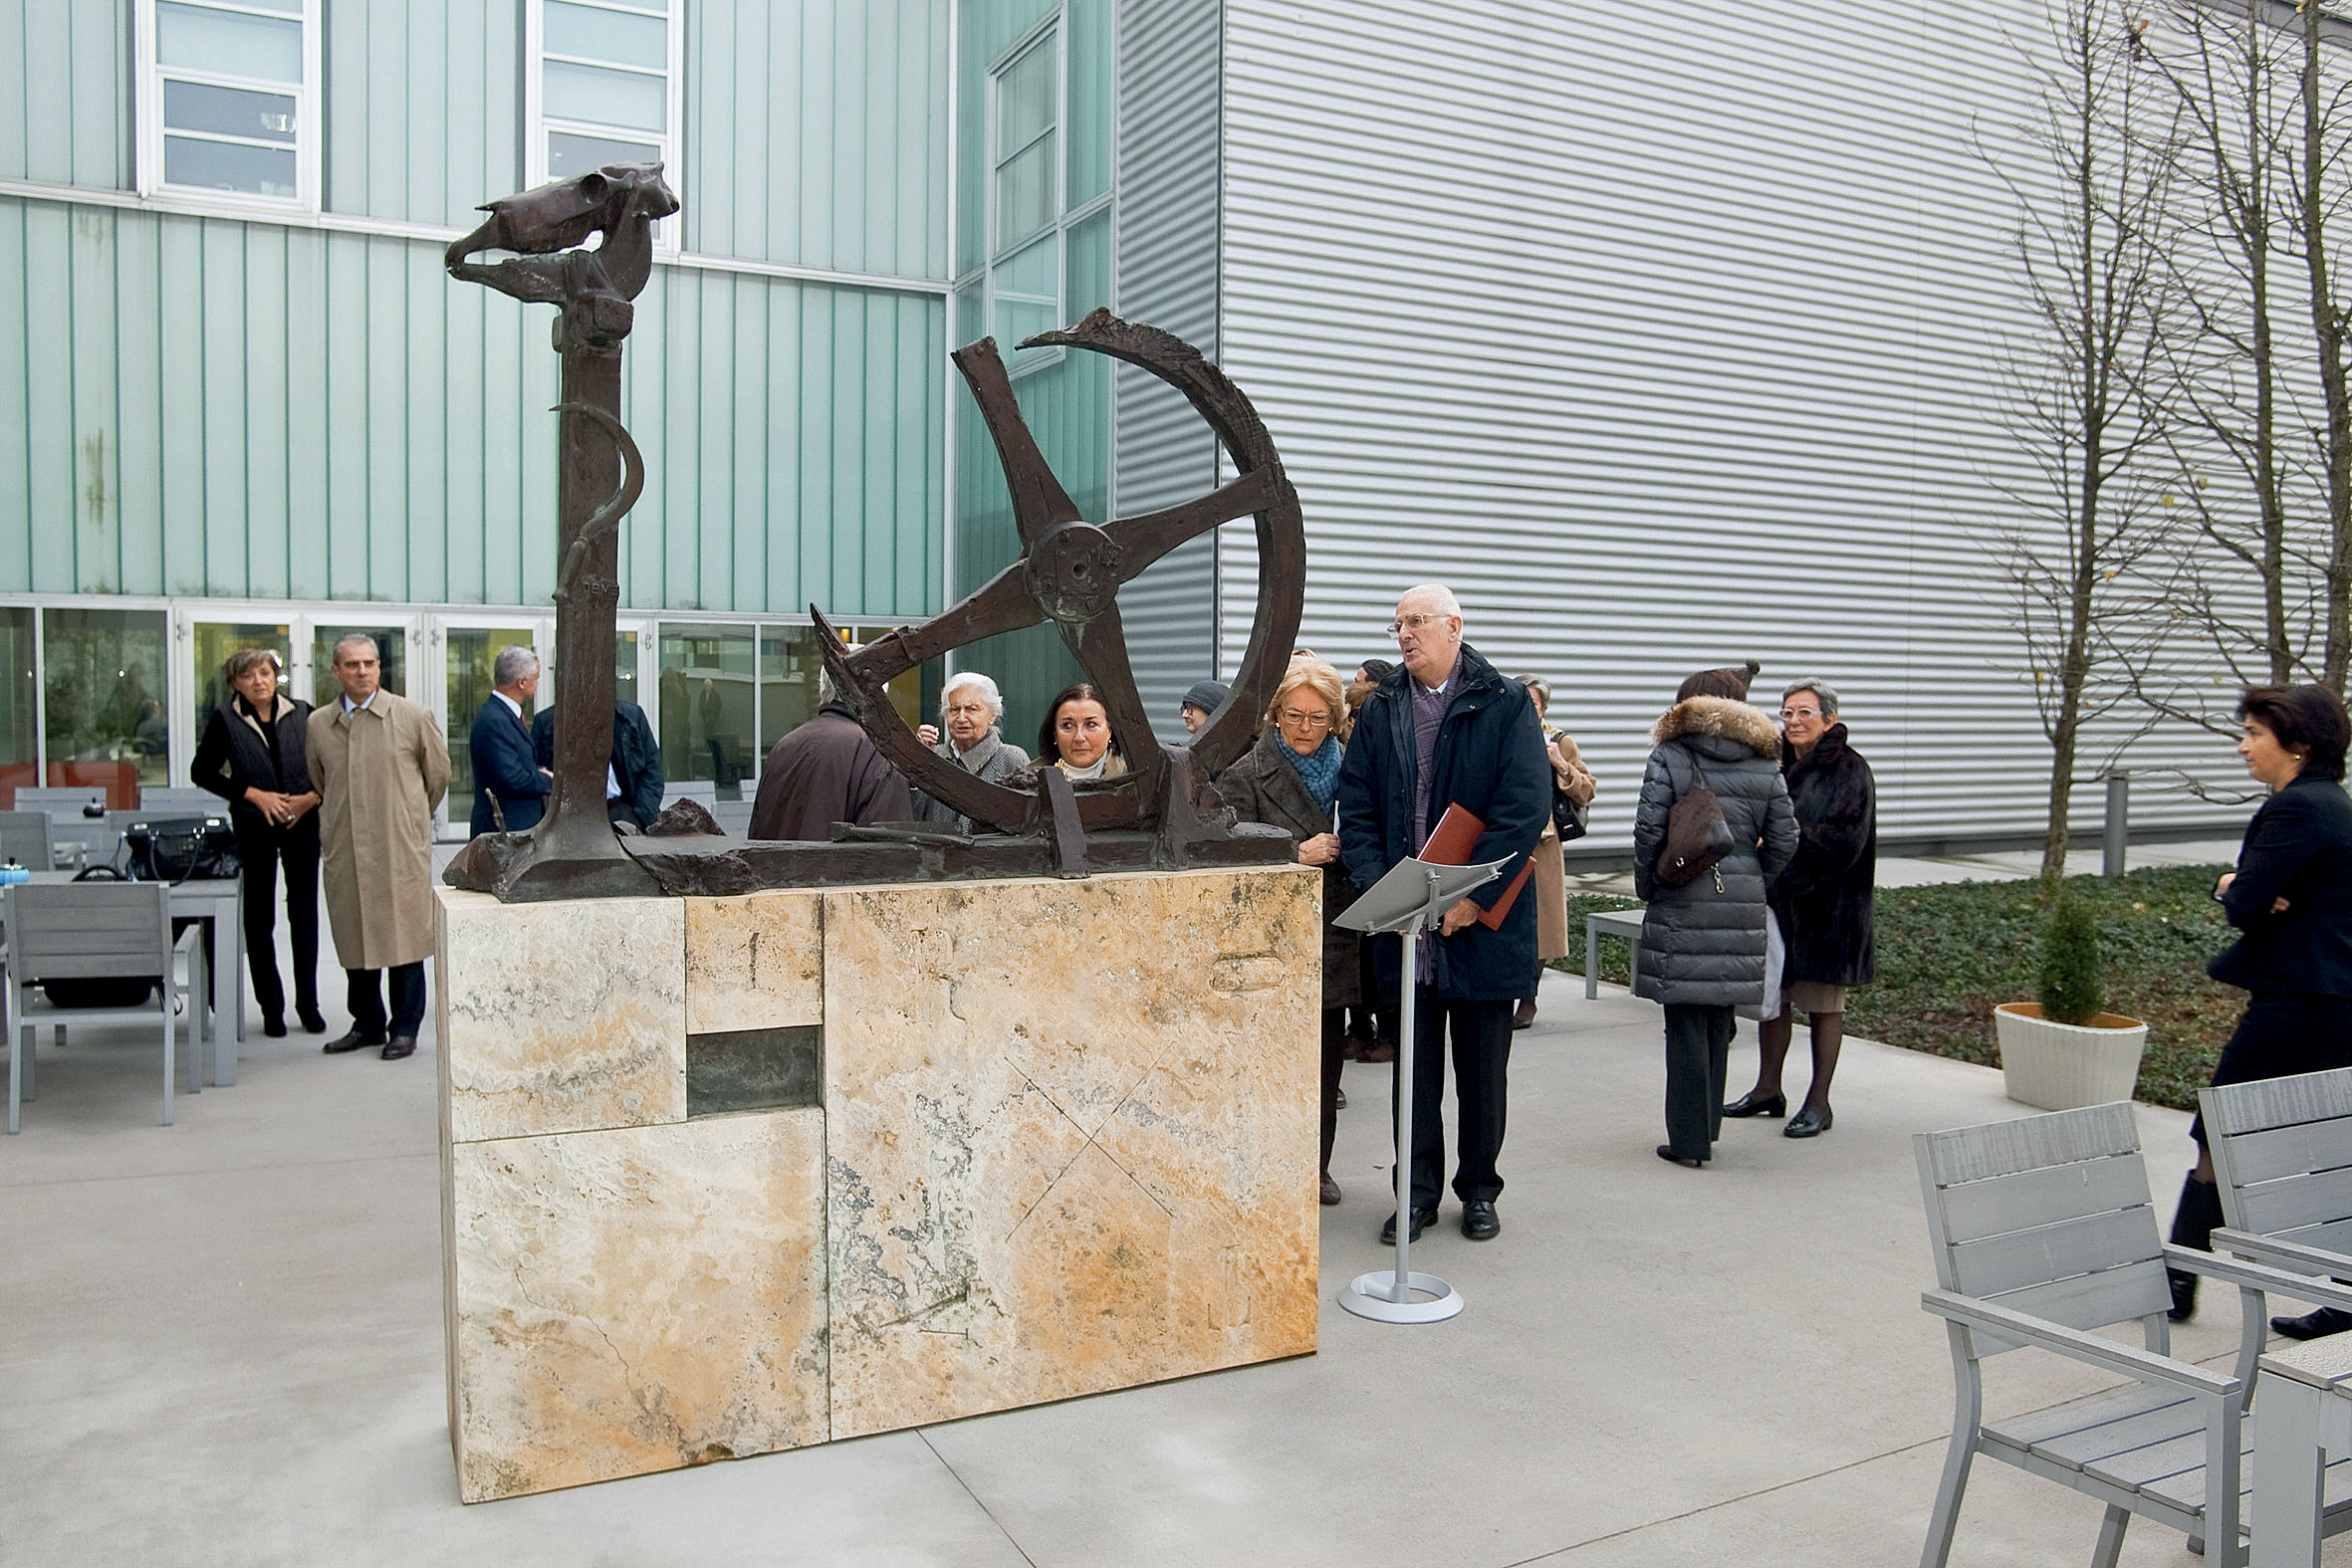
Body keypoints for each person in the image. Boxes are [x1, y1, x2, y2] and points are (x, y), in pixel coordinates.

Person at [1336, 584, 1550, 1243]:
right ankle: (1418, 1196)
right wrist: (1389, 893)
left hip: (1478, 925)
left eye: (1417, 621)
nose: (1403, 633)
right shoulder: (1384, 708)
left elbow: (1524, 807)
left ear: (1455, 626)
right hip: (1408, 930)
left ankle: (1479, 1191)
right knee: (1414, 1074)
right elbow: (1360, 808)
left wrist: (1470, 897)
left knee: (1484, 1073)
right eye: (1398, 622)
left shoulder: (1505, 701)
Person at [2165, 684, 2352, 1333]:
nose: (2243, 745)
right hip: (2333, 999)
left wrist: (2230, 884)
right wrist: (2253, 888)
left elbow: (2246, 902)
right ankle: (2344, 1297)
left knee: (2218, 1128)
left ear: (2297, 744)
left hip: (2297, 1001)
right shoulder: (2336, 806)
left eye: (2254, 733)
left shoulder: (2296, 809)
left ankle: (2176, 1277)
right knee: (2331, 1145)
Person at [1633, 661, 1797, 1168]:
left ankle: (1687, 1142)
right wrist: (1755, 877)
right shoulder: (1764, 761)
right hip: (1741, 899)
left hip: (1681, 897)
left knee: (1683, 1022)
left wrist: (1653, 884)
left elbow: (1647, 831)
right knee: (1718, 1017)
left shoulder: (1670, 755)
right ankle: (1707, 1127)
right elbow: (1787, 837)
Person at [1217, 655, 1359, 1206]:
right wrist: (1292, 852)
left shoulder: (1353, 770)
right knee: (1267, 1057)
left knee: (1326, 1058)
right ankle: (1263, 1162)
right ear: (1275, 715)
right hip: (1270, 936)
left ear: (1335, 720)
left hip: (1336, 930)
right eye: (1294, 715)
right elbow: (1228, 848)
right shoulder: (1246, 771)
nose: (1305, 728)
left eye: (1318, 718)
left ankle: (1316, 1166)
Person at [1724, 679, 1876, 1138]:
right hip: (1780, 905)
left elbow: (1844, 841)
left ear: (1829, 719)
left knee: (1823, 1005)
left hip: (1829, 910)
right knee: (1776, 999)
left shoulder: (1850, 770)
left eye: (1804, 713)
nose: (1792, 721)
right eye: (1787, 712)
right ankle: (1767, 1088)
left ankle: (1818, 1102)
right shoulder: (1778, 765)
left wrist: (1782, 849)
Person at [309, 634, 450, 1062]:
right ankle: (366, 1024)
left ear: (379, 669)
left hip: (397, 847)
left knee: (403, 939)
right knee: (355, 935)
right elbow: (320, 780)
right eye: (352, 665)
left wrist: (407, 820)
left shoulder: (411, 716)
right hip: (346, 846)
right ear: (336, 671)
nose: (362, 671)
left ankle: (404, 1028)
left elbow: (438, 777)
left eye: (369, 663)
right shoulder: (319, 724)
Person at [191, 648, 324, 1038]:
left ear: (276, 676)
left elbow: (333, 764)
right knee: (259, 918)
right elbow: (202, 771)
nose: (258, 681)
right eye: (248, 676)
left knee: (304, 914)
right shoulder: (225, 720)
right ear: (235, 683)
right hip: (255, 825)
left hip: (303, 821)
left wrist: (311, 797)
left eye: (265, 673)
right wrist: (252, 794)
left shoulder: (304, 713)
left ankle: (309, 1005)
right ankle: (272, 1007)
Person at [1514, 675, 1598, 1030]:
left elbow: (1587, 790)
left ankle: (1529, 997)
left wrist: (1560, 765)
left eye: (1534, 705)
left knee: (1542, 924)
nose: (1529, 712)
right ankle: (1509, 988)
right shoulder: (1504, 736)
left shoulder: (1560, 741)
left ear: (1544, 708)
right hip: (1509, 841)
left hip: (1545, 845)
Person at [748, 672, 914, 840]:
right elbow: (888, 852)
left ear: (823, 689)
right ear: (879, 695)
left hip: (777, 864)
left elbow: (758, 833)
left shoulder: (785, 745)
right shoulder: (878, 752)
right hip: (835, 865)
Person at [1341, 659, 1399, 1062]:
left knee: (1384, 964)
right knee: (1361, 967)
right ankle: (1362, 1028)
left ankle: (1391, 1034)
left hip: (1384, 868)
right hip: (1362, 872)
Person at [912, 672, 1031, 830]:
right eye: (954, 709)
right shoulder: (934, 756)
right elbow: (911, 816)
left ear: (992, 715)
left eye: (971, 709)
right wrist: (915, 757)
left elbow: (1026, 825)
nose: (961, 718)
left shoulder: (1011, 758)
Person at [529, 698, 664, 830]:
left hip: (622, 810)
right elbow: (535, 770)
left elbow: (652, 770)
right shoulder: (546, 722)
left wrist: (640, 817)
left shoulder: (630, 717)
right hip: (571, 817)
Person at [467, 646, 553, 837]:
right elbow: (511, 778)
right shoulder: (494, 720)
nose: (538, 683)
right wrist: (548, 779)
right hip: (504, 831)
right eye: (536, 678)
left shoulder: (504, 715)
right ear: (522, 682)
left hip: (517, 827)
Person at [1039, 684, 1129, 779]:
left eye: (1091, 724)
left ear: (1109, 730)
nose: (1079, 738)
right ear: (1055, 733)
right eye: (1067, 726)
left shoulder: (1130, 779)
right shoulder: (1028, 779)